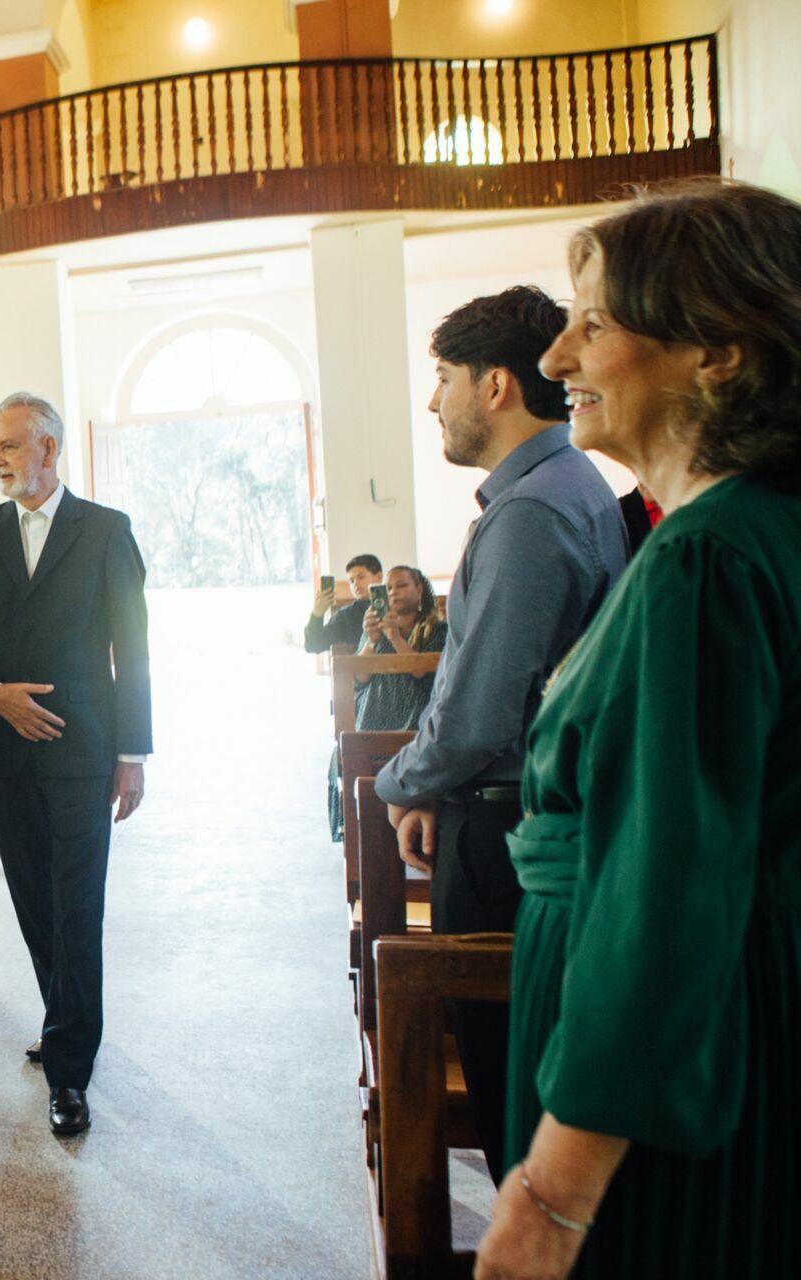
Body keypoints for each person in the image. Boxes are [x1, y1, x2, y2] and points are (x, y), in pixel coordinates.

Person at [472, 181, 801, 1280]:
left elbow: (664, 891)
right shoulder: (758, 527)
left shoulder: (708, 557)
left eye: (596, 322)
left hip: (668, 1078)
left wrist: (552, 1192)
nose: (558, 357)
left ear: (718, 349)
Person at [375, 286, 627, 1184]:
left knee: (511, 1097)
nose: (432, 400)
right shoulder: (564, 486)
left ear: (493, 386)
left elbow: (480, 711)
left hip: (509, 838)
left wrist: (398, 781)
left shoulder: (531, 513)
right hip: (506, 811)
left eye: (441, 378)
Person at [0, 392, 152, 1137]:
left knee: (78, 903)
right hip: (6, 750)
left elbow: (134, 648)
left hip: (84, 746)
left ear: (48, 449)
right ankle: (67, 1021)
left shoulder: (105, 530)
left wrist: (133, 753)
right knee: (33, 901)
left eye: (9, 446)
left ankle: (69, 1071)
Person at [326, 565, 448, 840]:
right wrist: (371, 640)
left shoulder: (438, 630)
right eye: (389, 587)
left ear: (419, 590)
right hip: (374, 717)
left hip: (415, 719)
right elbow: (358, 677)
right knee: (343, 750)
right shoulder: (373, 629)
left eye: (402, 585)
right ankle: (358, 833)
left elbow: (422, 673)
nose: (394, 592)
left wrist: (395, 636)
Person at [302, 553, 382, 653]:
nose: (356, 584)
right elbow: (313, 646)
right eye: (351, 581)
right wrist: (317, 615)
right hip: (359, 667)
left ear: (379, 576)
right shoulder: (346, 616)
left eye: (361, 577)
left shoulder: (396, 606)